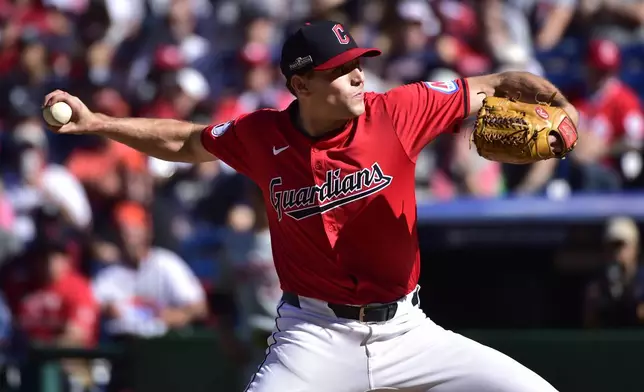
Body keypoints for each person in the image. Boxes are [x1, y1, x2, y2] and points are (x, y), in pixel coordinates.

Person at [44, 20, 578, 392]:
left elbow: (495, 84)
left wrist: (561, 109)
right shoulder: (261, 135)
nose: (358, 75)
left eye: (358, 63)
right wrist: (99, 124)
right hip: (314, 336)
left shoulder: (399, 110)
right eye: (340, 69)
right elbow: (185, 141)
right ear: (301, 84)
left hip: (410, 332)